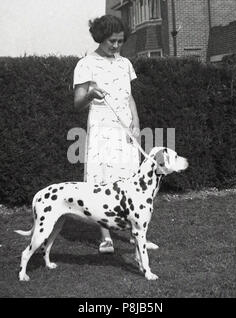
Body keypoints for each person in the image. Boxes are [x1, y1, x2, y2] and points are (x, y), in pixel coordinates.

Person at [73, 15, 156, 253]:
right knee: (102, 182)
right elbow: (78, 103)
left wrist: (137, 123)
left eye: (120, 41)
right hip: (101, 130)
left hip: (126, 131)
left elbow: (129, 97)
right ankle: (105, 238)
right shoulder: (86, 64)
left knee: (131, 182)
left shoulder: (125, 64)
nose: (117, 45)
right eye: (112, 41)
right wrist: (91, 95)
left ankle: (136, 234)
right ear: (100, 37)